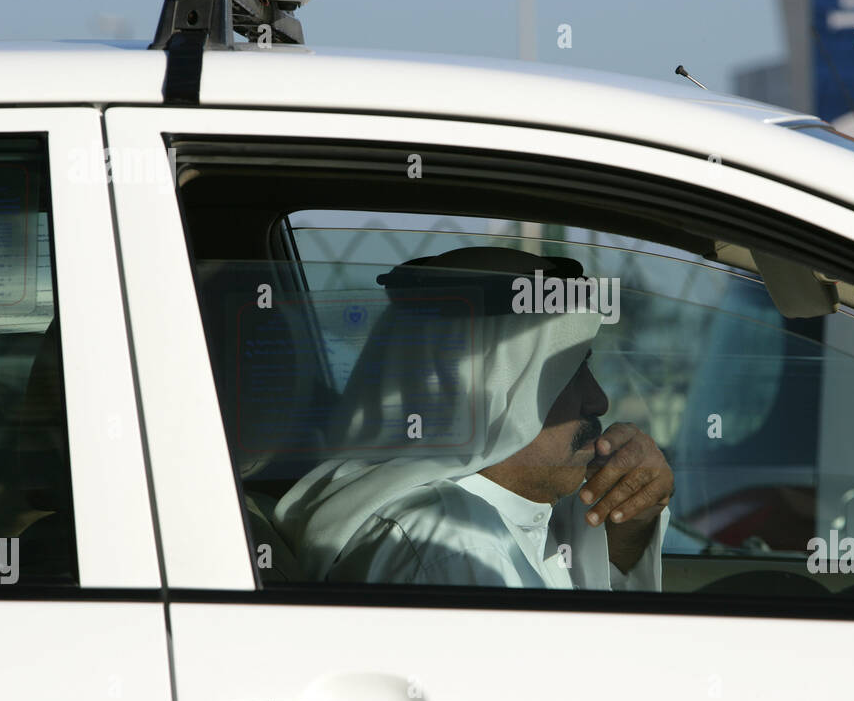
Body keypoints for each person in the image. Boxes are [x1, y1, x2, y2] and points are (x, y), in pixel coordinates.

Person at [273, 246, 672, 589]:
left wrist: (630, 523)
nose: (598, 401)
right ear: (487, 394)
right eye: (568, 374)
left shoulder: (501, 515)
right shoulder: (456, 541)